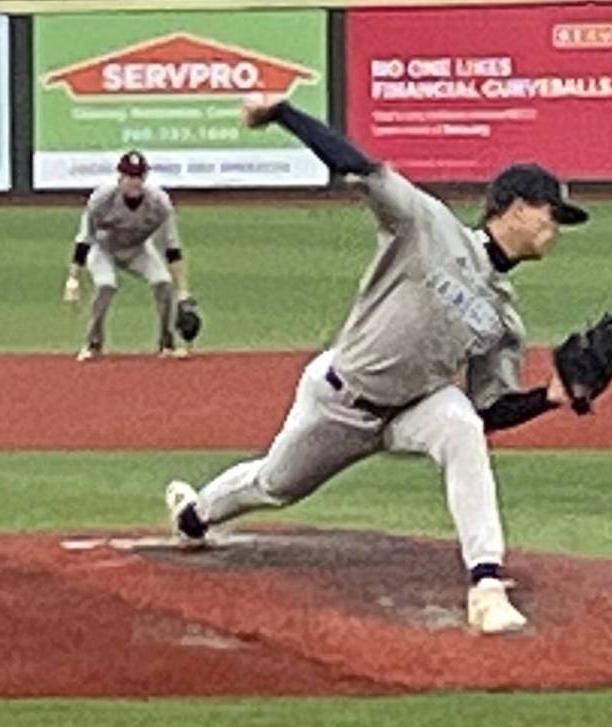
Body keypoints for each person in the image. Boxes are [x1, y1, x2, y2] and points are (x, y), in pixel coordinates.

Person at [167, 98, 589, 633]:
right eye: (553, 214)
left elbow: (489, 409)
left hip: (414, 406)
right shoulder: (428, 225)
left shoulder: (505, 318)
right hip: (340, 399)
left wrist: (551, 396)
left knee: (459, 424)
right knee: (275, 484)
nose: (557, 228)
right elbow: (360, 168)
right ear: (517, 206)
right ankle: (194, 513)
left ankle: (485, 583)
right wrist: (283, 113)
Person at [63, 150, 190, 360]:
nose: (134, 182)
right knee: (106, 285)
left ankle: (167, 344)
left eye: (139, 176)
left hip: (138, 249)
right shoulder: (101, 199)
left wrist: (184, 291)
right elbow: (84, 239)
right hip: (103, 249)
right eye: (130, 176)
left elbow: (172, 248)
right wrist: (73, 279)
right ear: (120, 177)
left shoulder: (159, 202)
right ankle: (93, 344)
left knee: (163, 283)